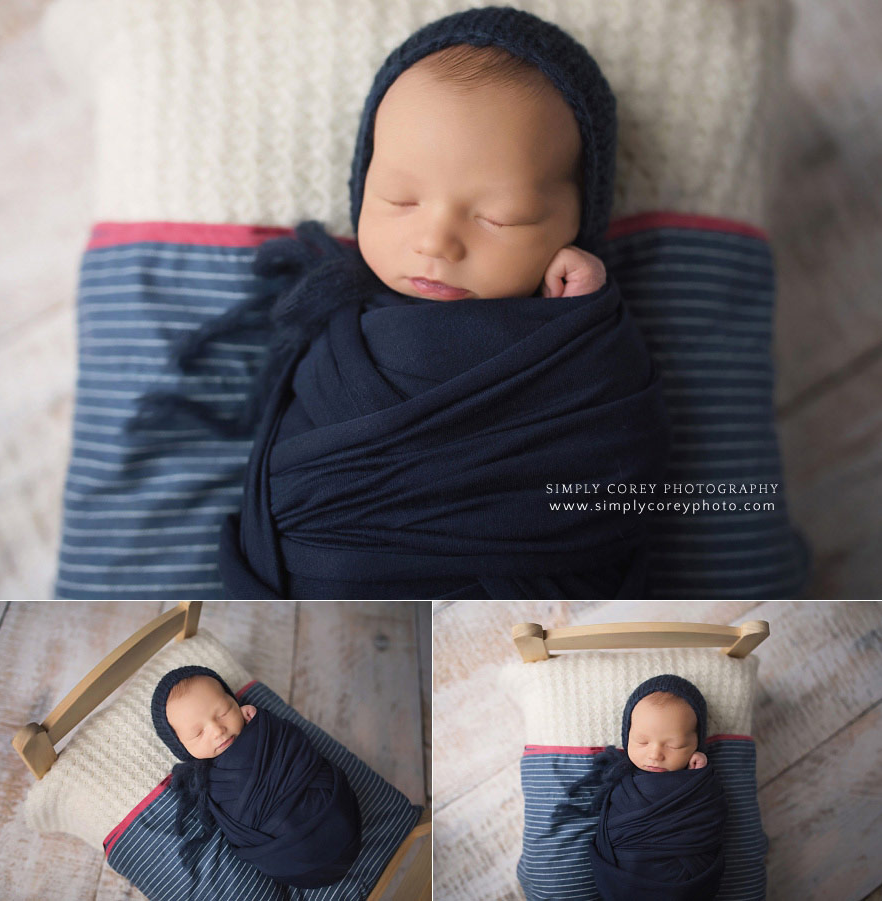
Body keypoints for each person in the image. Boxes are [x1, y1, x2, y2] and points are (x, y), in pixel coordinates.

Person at [152, 6, 669, 599]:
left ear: (578, 222)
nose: (435, 242)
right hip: (314, 570)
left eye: (500, 217)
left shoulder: (579, 334)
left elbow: (625, 457)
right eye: (400, 200)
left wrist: (589, 325)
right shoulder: (338, 321)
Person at [151, 666, 362, 888]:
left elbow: (294, 743)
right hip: (293, 859)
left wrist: (262, 722)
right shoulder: (207, 781)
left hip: (337, 812)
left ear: (236, 703)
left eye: (223, 712)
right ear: (181, 748)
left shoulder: (265, 729)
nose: (217, 730)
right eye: (198, 733)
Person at [581, 675, 727, 900]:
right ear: (627, 736)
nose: (655, 754)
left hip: (687, 884)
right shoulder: (621, 779)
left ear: (696, 744)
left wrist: (698, 776)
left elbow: (710, 816)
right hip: (623, 880)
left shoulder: (699, 781)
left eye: (674, 745)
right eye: (642, 741)